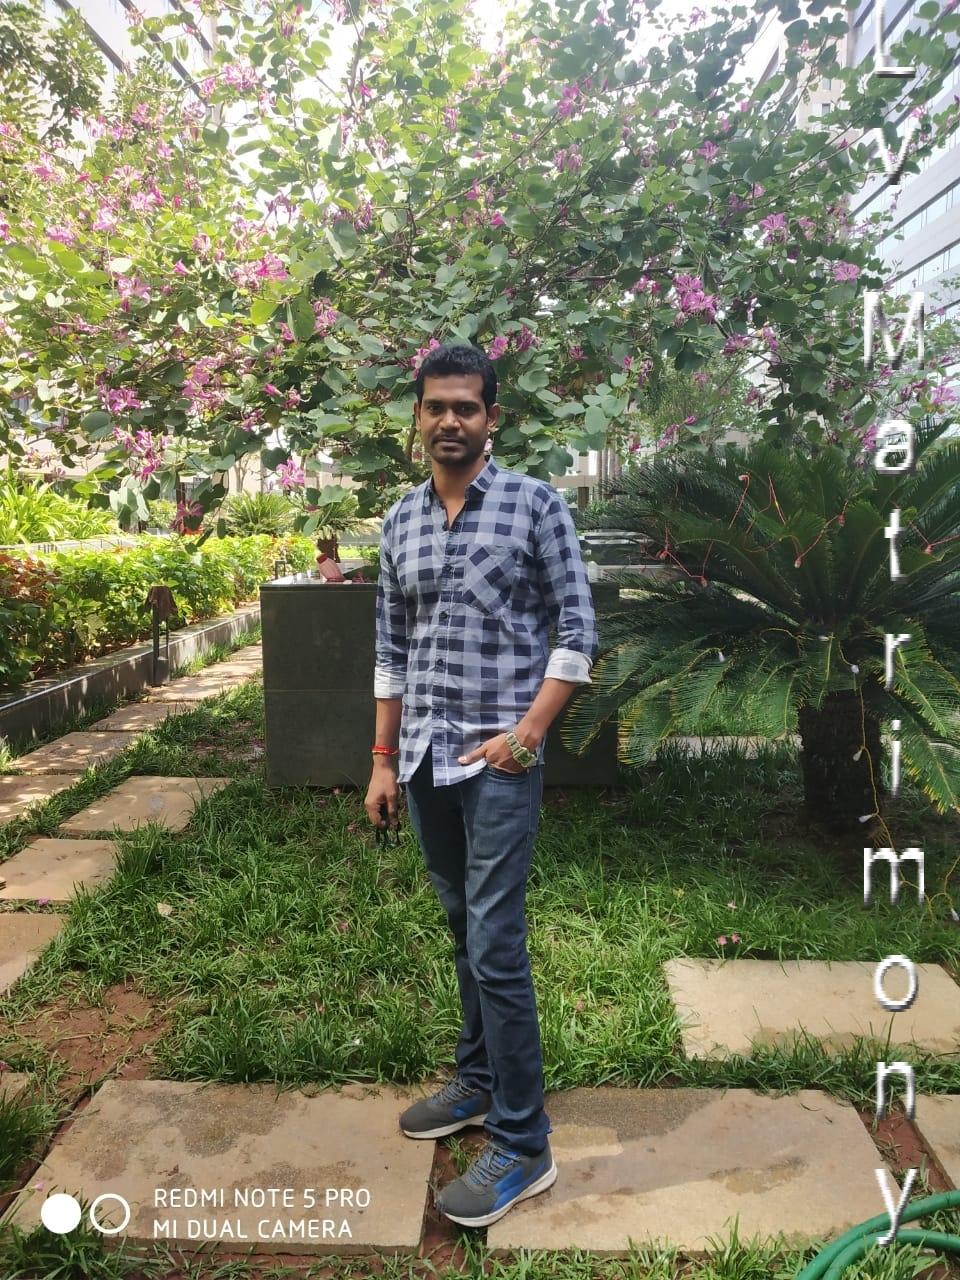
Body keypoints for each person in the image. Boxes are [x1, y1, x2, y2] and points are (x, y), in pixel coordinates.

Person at [365, 341, 598, 1228]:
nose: (450, 420)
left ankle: (524, 1141)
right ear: (418, 418)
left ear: (491, 417)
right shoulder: (401, 520)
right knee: (463, 925)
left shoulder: (536, 505)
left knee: (496, 941)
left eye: (467, 406)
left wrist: (528, 736)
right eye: (436, 406)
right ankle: (476, 1079)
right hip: (423, 758)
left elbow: (578, 632)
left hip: (500, 759)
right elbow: (391, 648)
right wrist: (382, 759)